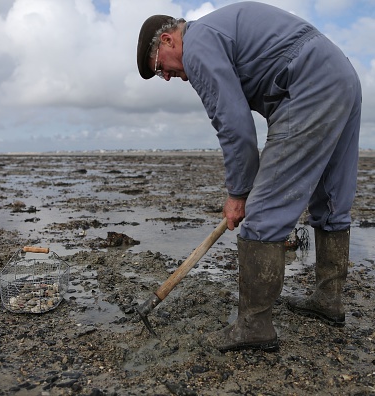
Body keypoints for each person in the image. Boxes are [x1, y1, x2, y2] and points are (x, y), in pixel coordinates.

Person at [136, 1, 362, 352]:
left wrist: (239, 193)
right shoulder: (216, 31)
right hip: (341, 76)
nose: (166, 77)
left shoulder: (197, 45)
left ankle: (254, 325)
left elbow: (235, 125)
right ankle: (328, 300)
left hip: (308, 85)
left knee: (263, 213)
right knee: (332, 197)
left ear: (167, 41)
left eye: (159, 68)